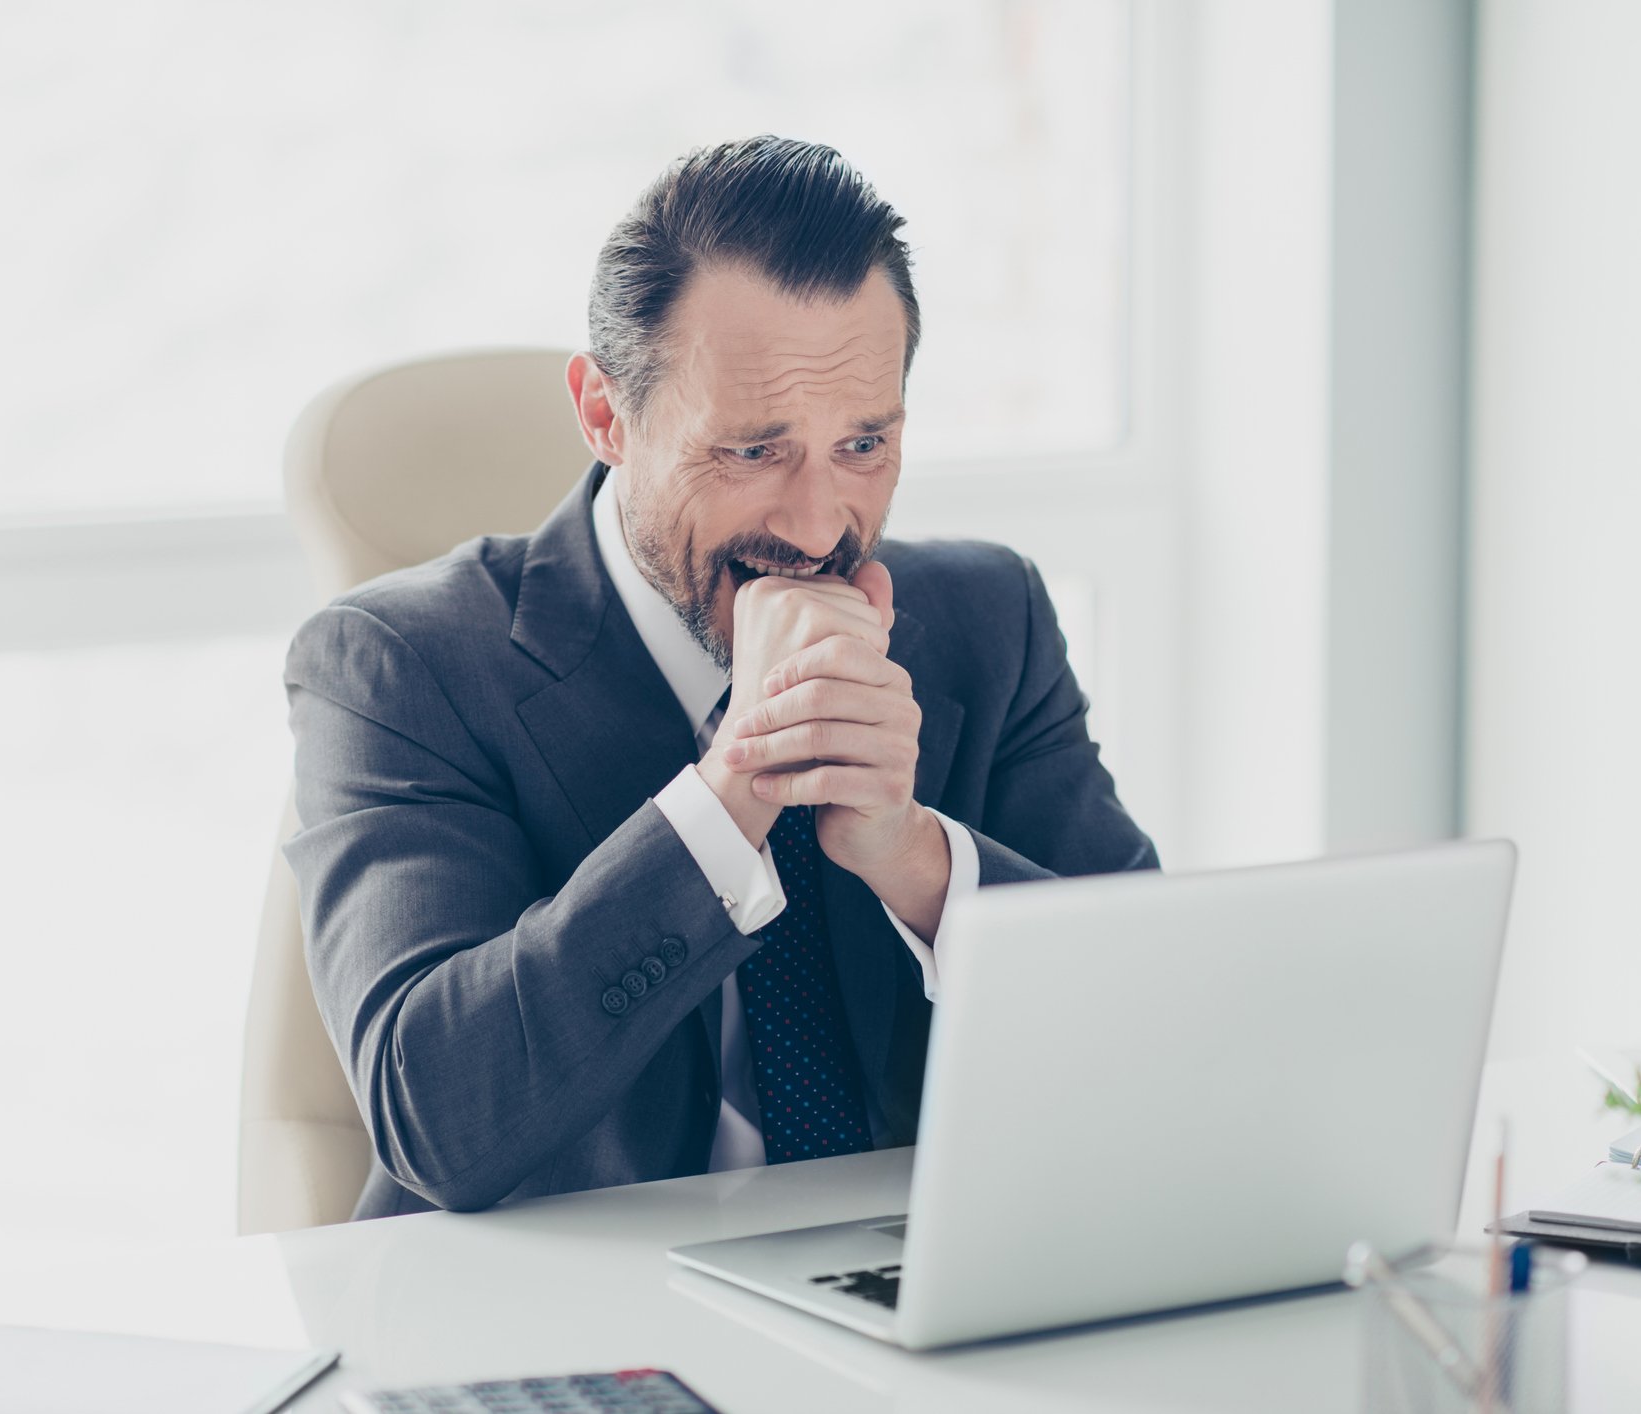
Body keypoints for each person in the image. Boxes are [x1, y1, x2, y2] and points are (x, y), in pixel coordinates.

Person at [283, 135, 1158, 1219]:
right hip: (553, 1327)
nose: (818, 524)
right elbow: (442, 1124)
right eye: (752, 451)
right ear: (605, 414)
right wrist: (735, 786)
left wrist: (913, 857)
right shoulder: (399, 664)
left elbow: (1154, 1027)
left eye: (863, 445)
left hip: (903, 1309)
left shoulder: (988, 620)